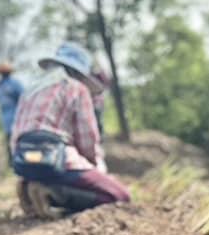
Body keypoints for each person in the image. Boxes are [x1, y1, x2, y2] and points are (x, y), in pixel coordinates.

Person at [10, 42, 130, 218]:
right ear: (78, 72)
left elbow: (16, 135)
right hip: (57, 159)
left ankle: (33, 185)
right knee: (119, 196)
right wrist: (95, 170)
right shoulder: (76, 88)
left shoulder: (29, 91)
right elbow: (88, 140)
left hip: (24, 160)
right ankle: (53, 194)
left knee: (62, 176)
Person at [0, 62, 23, 156]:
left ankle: (11, 161)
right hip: (15, 117)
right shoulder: (14, 84)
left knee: (10, 140)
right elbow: (23, 98)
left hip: (8, 118)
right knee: (15, 141)